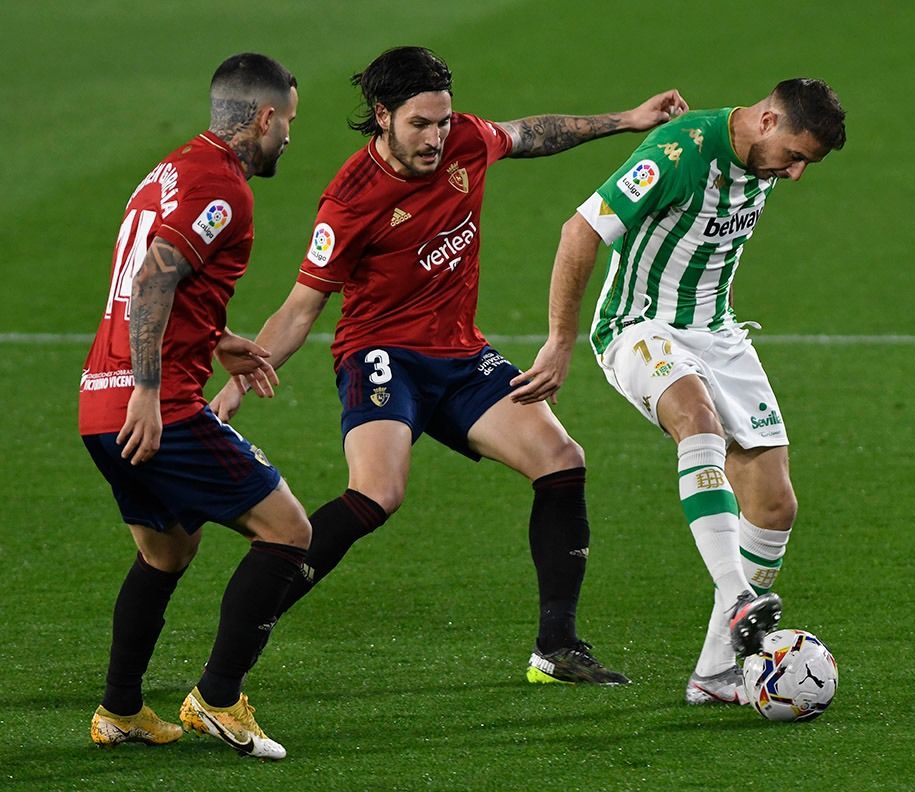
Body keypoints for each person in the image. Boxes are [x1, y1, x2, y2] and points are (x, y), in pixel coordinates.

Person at [210, 46, 687, 685]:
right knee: (378, 493)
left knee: (562, 461)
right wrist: (242, 381)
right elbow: (300, 310)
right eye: (420, 125)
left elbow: (530, 134)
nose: (438, 138)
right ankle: (245, 628)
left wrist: (625, 119)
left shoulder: (463, 141)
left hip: (459, 354)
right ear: (382, 116)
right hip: (381, 355)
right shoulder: (350, 201)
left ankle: (557, 646)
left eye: (443, 121)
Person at [511, 78, 847, 704]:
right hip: (638, 326)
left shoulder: (763, 162)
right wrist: (560, 339)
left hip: (719, 333)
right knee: (699, 421)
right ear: (769, 120)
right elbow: (579, 231)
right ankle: (739, 598)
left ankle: (716, 675)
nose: (796, 175)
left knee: (775, 505)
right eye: (796, 155)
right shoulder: (679, 153)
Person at [80, 53, 310, 759]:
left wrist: (219, 339)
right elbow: (152, 280)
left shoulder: (171, 169)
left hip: (97, 401)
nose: (290, 139)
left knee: (166, 550)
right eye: (290, 124)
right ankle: (218, 698)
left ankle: (119, 709)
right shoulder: (223, 188)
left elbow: (155, 282)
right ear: (264, 117)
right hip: (157, 406)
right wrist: (150, 392)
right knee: (289, 533)